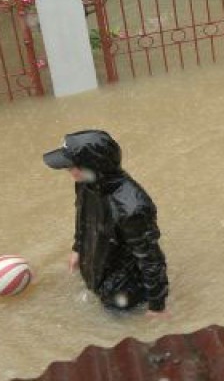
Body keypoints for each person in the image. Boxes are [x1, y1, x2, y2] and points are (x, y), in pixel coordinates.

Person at [43, 129, 169, 316]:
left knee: (116, 319)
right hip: (95, 263)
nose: (67, 170)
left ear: (92, 166)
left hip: (123, 290)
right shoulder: (86, 182)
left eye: (71, 166)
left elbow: (151, 260)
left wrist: (157, 307)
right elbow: (82, 215)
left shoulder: (133, 208)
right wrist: (77, 248)